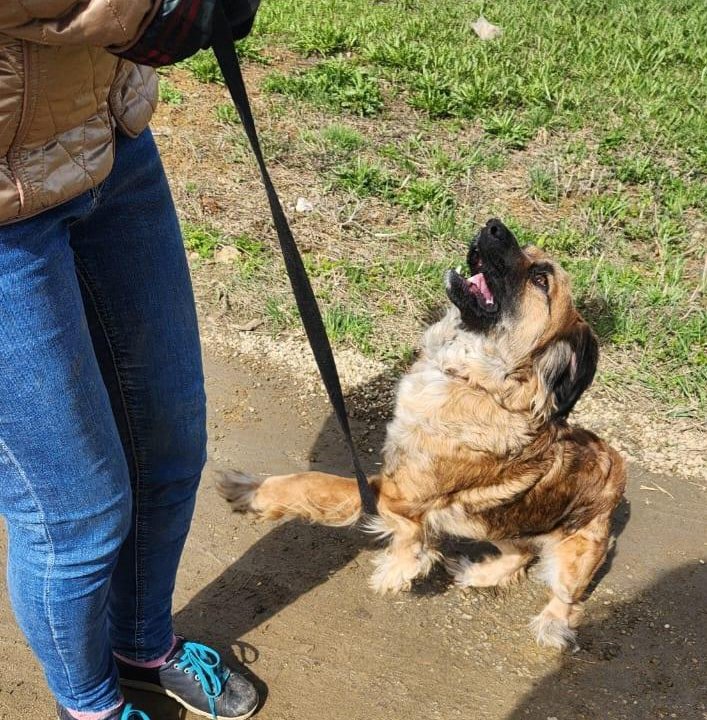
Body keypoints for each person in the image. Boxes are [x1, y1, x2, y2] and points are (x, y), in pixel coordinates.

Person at [0, 2, 260, 719]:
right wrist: (163, 10)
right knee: (74, 512)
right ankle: (87, 706)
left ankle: (140, 646)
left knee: (168, 443)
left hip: (106, 140)